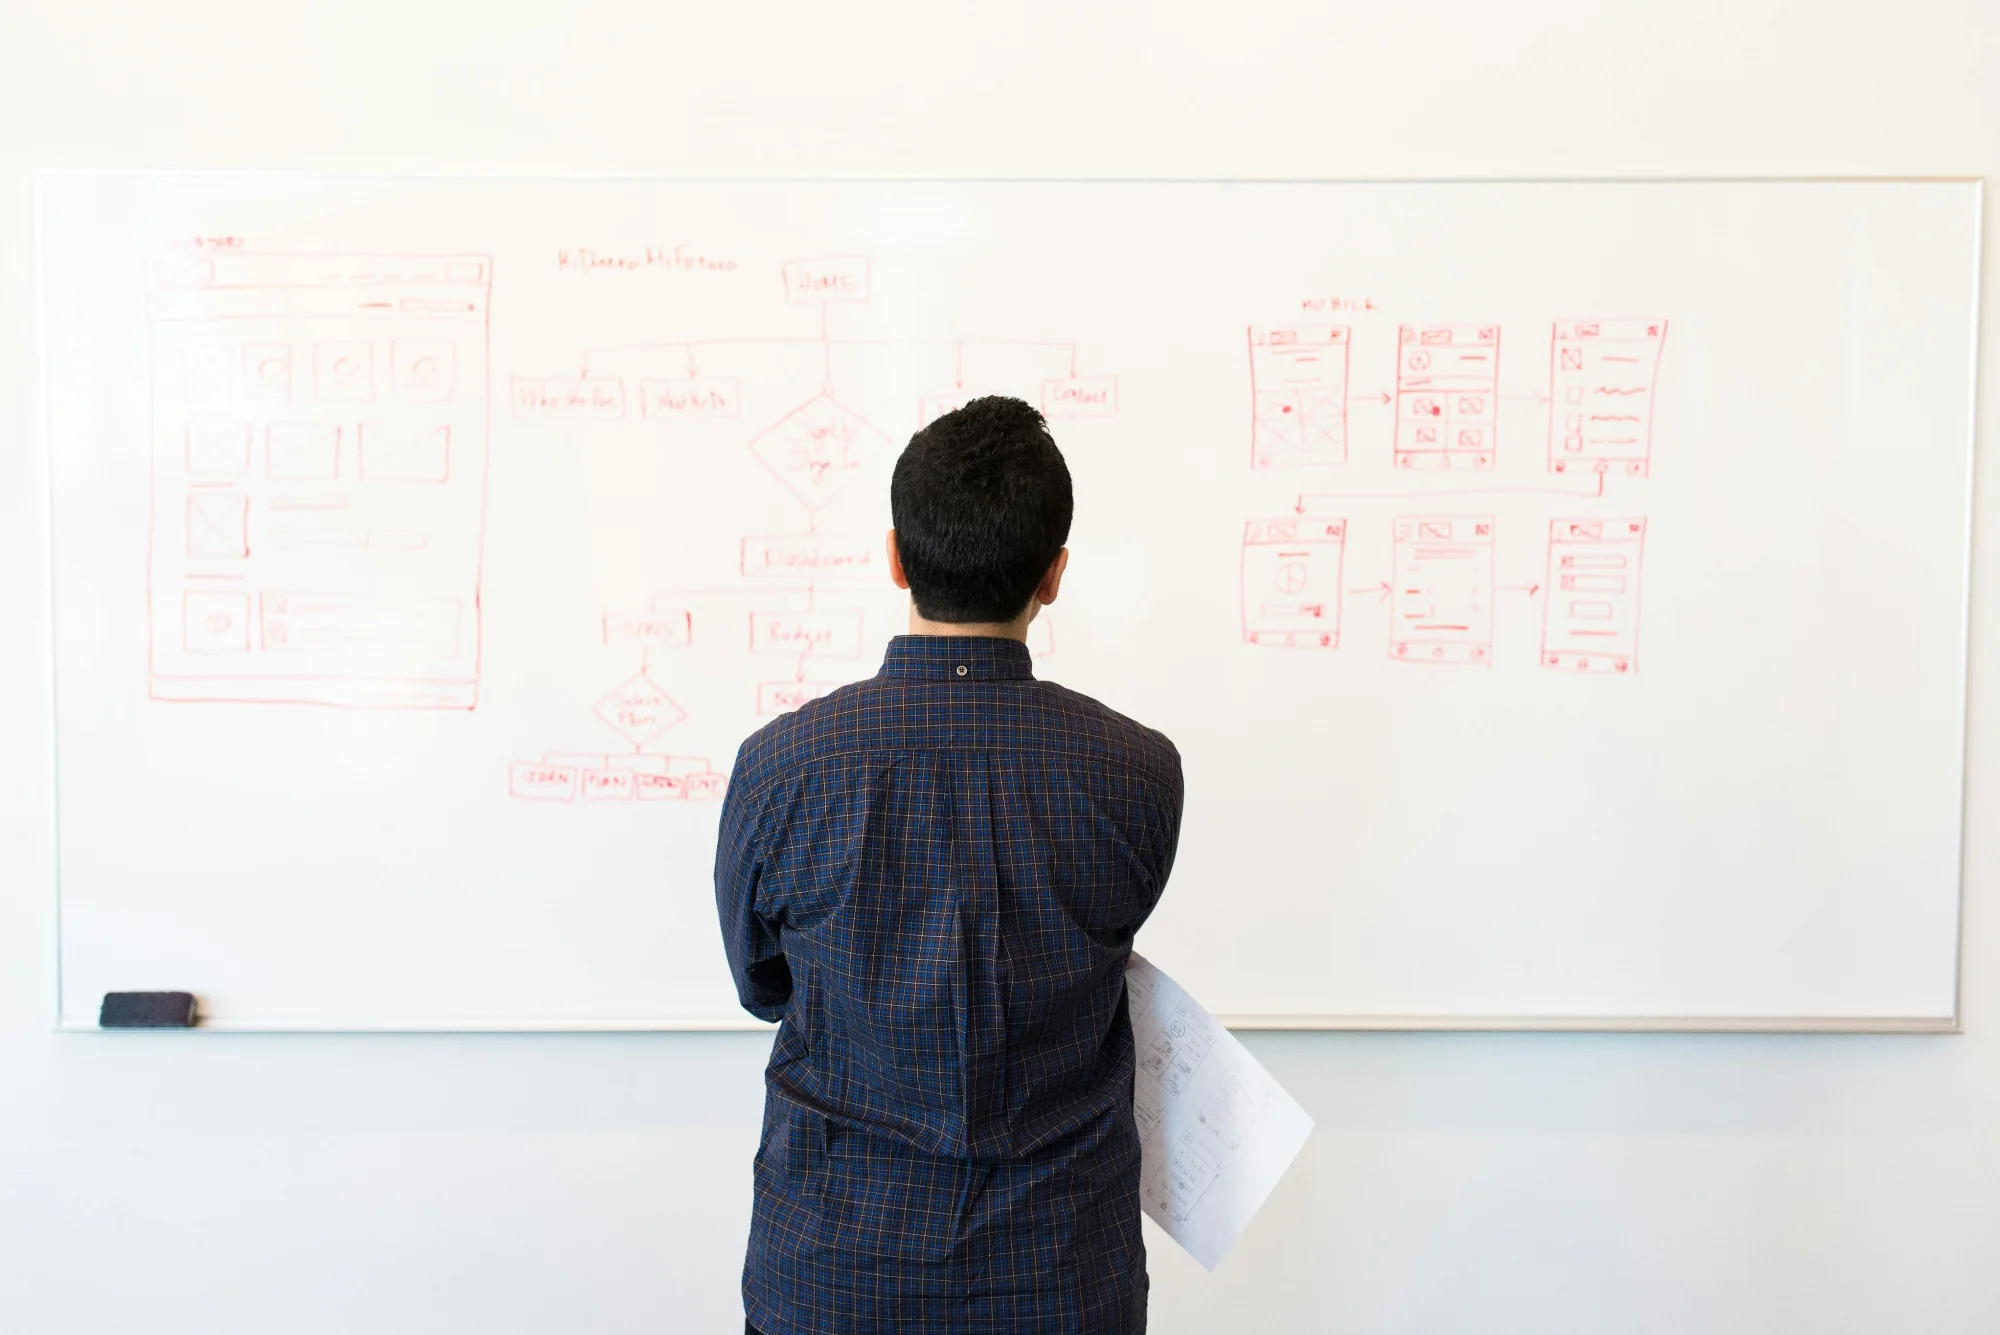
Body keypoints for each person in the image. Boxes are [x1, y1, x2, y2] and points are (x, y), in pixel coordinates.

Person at [714, 395, 1185, 1334]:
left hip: (833, 1274)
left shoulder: (780, 767)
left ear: (895, 556)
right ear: (1053, 576)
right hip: (1060, 1280)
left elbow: (764, 985)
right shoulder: (1137, 772)